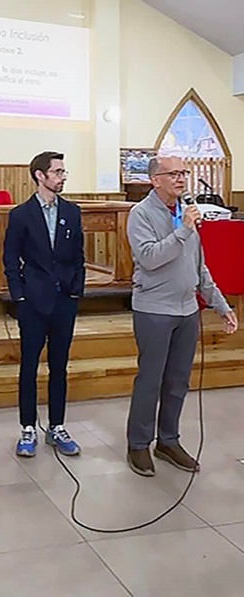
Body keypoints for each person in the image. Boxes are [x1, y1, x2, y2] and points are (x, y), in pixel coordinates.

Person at [125, 156, 238, 477]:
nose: (181, 179)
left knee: (177, 381)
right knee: (150, 380)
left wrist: (221, 305)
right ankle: (138, 444)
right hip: (154, 310)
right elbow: (149, 258)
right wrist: (183, 231)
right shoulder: (141, 214)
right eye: (173, 174)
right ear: (154, 179)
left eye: (183, 173)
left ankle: (168, 440)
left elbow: (199, 267)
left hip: (187, 310)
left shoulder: (185, 211)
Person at [3, 151, 85, 458]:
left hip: (64, 299)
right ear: (41, 175)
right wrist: (19, 294)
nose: (63, 176)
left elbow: (78, 255)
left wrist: (76, 289)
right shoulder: (22, 214)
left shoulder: (72, 212)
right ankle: (27, 427)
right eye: (58, 172)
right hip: (33, 301)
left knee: (59, 366)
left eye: (64, 172)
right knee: (29, 366)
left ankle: (57, 426)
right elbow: (11, 258)